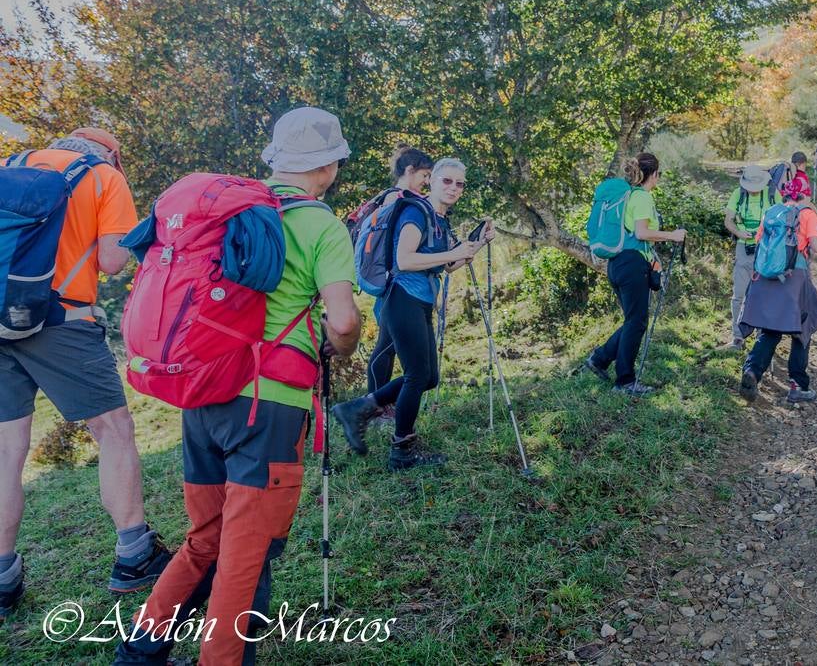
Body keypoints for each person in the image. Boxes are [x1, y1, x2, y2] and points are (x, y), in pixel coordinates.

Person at [114, 107, 363, 665]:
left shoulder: (236, 209)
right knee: (244, 557)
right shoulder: (320, 223)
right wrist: (341, 347)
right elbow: (343, 322)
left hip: (201, 395)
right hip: (268, 407)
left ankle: (141, 648)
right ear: (327, 167)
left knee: (205, 537)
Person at [0, 129, 174, 616]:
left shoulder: (14, 162)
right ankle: (134, 554)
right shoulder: (102, 178)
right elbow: (112, 260)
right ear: (112, 155)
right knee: (113, 430)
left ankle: (2, 578)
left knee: (7, 449)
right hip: (61, 319)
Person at [333, 157, 494, 469]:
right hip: (402, 298)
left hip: (420, 300)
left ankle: (360, 408)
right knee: (417, 375)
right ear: (431, 180)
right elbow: (404, 260)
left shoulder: (440, 220)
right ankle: (402, 450)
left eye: (459, 184)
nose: (453, 188)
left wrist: (475, 244)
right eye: (446, 181)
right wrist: (455, 252)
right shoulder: (415, 212)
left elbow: (447, 265)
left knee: (429, 377)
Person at [584, 153, 687, 396]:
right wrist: (672, 235)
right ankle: (624, 381)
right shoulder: (641, 197)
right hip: (631, 265)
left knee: (634, 320)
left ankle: (599, 360)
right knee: (637, 321)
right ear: (653, 174)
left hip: (618, 264)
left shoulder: (630, 196)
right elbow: (641, 233)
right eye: (658, 173)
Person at [737, 173, 817, 404]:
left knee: (771, 329)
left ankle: (752, 372)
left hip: (765, 277)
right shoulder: (806, 214)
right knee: (803, 327)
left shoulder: (771, 212)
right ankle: (797, 384)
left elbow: (760, 243)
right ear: (805, 195)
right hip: (793, 277)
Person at [365, 145, 435, 406]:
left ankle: (377, 404)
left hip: (393, 281)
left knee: (388, 344)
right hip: (394, 282)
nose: (426, 181)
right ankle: (373, 406)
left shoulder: (399, 197)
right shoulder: (397, 198)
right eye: (424, 175)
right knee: (386, 345)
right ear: (409, 170)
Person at [723, 165, 779, 349]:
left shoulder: (772, 194)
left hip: (766, 250)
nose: (753, 192)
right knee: (739, 293)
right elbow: (728, 220)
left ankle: (761, 335)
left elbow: (781, 219)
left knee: (763, 293)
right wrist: (739, 233)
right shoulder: (737, 194)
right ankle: (738, 337)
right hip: (743, 248)